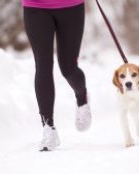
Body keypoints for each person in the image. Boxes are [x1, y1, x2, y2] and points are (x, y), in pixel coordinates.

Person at [22, 0, 92, 151]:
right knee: (43, 64)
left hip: (71, 6)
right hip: (35, 6)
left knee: (68, 68)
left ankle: (82, 97)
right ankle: (48, 128)